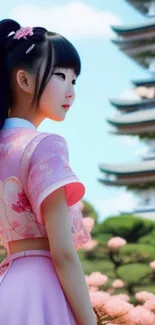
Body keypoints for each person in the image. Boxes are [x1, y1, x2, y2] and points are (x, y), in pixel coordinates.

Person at [0, 19, 97, 325]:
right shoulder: (44, 146)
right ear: (24, 81)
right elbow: (64, 255)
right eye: (60, 76)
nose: (70, 91)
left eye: (74, 80)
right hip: (44, 290)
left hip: (7, 288)